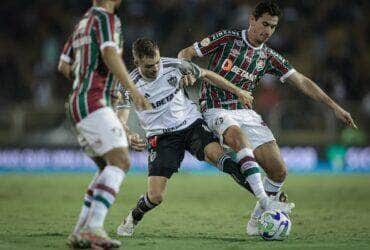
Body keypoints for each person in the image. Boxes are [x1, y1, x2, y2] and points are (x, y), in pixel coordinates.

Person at [178, 0, 357, 236]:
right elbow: (185, 54)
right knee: (239, 139)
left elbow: (301, 81)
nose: (268, 31)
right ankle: (266, 203)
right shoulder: (228, 39)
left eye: (273, 27)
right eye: (264, 24)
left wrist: (334, 107)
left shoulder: (270, 57)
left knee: (278, 171)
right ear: (252, 19)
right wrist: (186, 71)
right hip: (215, 108)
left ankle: (256, 220)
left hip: (246, 113)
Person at [116, 37, 294, 237]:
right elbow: (120, 117)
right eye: (149, 65)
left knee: (222, 159)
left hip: (191, 125)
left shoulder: (174, 66)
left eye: (157, 62)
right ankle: (134, 216)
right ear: (137, 61)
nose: (156, 68)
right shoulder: (127, 84)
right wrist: (129, 134)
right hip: (162, 137)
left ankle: (267, 200)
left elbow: (208, 75)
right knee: (156, 196)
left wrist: (237, 91)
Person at [58, 0, 151, 248]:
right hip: (94, 101)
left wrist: (87, 81)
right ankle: (94, 227)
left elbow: (64, 65)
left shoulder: (82, 24)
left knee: (105, 168)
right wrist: (132, 89)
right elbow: (109, 53)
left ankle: (80, 232)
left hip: (77, 102)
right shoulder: (107, 19)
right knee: (121, 160)